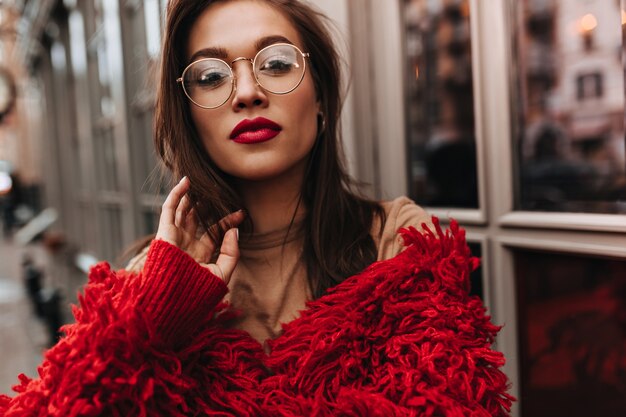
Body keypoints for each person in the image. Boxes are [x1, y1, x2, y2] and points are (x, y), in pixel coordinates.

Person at [0, 0, 513, 415]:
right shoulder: (155, 279)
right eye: (210, 76)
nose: (246, 92)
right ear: (188, 116)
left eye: (275, 64)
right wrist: (157, 321)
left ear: (321, 99)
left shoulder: (397, 239)